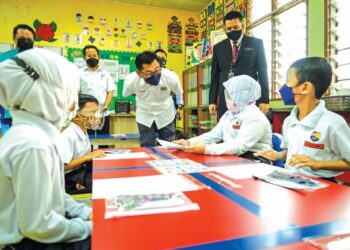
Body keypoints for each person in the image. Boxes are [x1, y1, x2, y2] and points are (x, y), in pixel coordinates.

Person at [0, 48, 91, 249]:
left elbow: (55, 194)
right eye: (70, 93)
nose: (73, 105)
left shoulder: (33, 135)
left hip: (40, 233)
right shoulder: (33, 145)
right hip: (29, 243)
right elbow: (39, 226)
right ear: (49, 95)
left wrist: (84, 212)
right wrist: (88, 227)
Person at [255, 57, 350, 180]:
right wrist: (278, 155)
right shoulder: (289, 121)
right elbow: (293, 154)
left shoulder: (333, 124)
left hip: (321, 183)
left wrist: (319, 164)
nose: (284, 88)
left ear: (305, 88)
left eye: (288, 81)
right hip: (290, 178)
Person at [174, 75, 272, 155]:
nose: (227, 99)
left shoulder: (255, 117)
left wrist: (206, 149)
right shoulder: (229, 114)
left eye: (230, 95)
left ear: (242, 95)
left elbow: (239, 146)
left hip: (255, 159)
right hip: (235, 157)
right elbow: (214, 135)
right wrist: (189, 142)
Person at [209, 10, 269, 119]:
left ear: (243, 25)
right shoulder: (218, 48)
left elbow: (263, 72)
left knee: (247, 129)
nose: (232, 31)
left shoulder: (256, 44)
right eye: (229, 29)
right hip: (226, 98)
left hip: (249, 98)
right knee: (226, 130)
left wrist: (264, 100)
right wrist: (212, 101)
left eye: (236, 27)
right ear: (224, 29)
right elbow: (214, 76)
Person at [123, 51, 183, 147]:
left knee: (169, 146)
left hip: (165, 114)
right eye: (149, 73)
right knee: (147, 145)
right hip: (145, 115)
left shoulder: (171, 77)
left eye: (157, 70)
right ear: (139, 73)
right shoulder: (131, 81)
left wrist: (180, 106)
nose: (155, 75)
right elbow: (126, 94)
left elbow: (178, 92)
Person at [62, 94, 106, 194]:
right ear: (77, 115)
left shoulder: (83, 131)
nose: (96, 116)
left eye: (97, 112)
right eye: (92, 112)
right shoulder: (68, 135)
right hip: (68, 180)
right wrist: (88, 156)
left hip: (80, 172)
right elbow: (61, 167)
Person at [0, 24, 36, 135]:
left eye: (29, 39)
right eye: (21, 38)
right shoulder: (3, 58)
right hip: (9, 113)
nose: (25, 41)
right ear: (14, 39)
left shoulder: (40, 58)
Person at [79, 45, 116, 135]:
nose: (92, 58)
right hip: (86, 114)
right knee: (87, 140)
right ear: (84, 58)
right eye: (89, 56)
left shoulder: (105, 74)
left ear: (99, 57)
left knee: (104, 140)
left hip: (103, 113)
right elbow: (77, 93)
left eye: (94, 55)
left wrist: (105, 106)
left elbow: (110, 91)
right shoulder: (79, 73)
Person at [154, 48, 184, 121]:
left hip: (169, 113)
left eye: (163, 58)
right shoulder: (148, 74)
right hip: (153, 114)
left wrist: (179, 108)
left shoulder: (171, 75)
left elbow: (178, 93)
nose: (161, 60)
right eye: (159, 58)